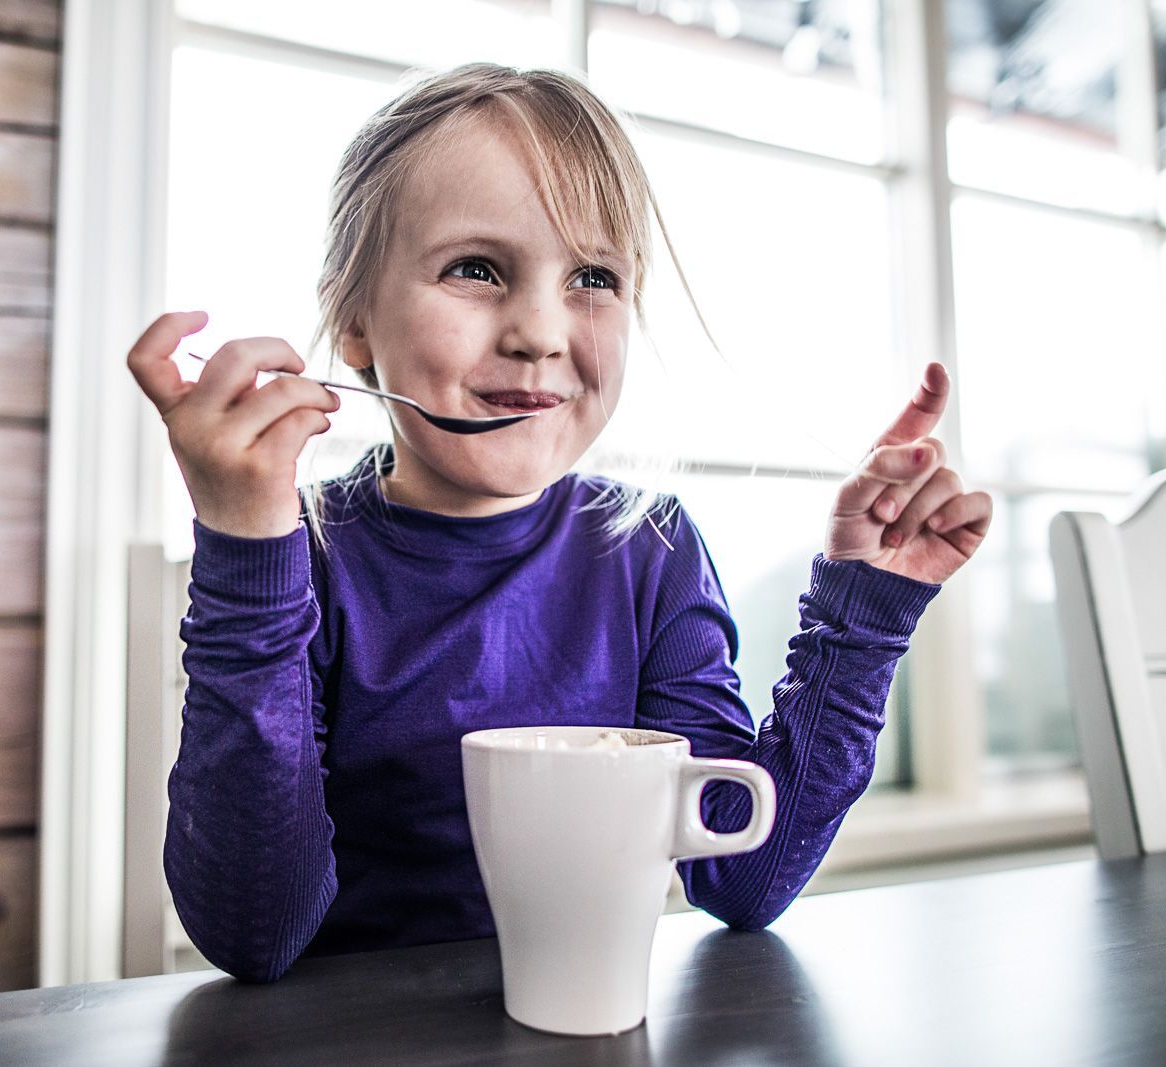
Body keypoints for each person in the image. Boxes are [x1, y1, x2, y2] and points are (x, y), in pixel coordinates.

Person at [126, 63, 992, 984]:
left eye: (591, 276)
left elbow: (743, 875)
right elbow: (255, 934)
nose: (539, 330)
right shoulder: (305, 558)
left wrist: (864, 611)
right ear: (352, 322)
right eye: (475, 269)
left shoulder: (648, 549)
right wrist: (248, 545)